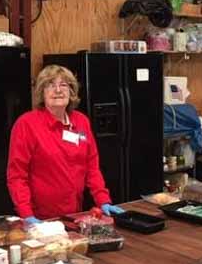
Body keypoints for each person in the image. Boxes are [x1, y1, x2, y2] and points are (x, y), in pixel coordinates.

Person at [7, 64, 124, 225]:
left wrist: (103, 200)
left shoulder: (81, 121)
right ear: (42, 92)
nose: (58, 90)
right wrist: (26, 214)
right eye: (50, 85)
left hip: (75, 214)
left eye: (63, 85)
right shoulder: (26, 124)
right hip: (40, 218)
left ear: (71, 91)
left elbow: (92, 167)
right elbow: (17, 175)